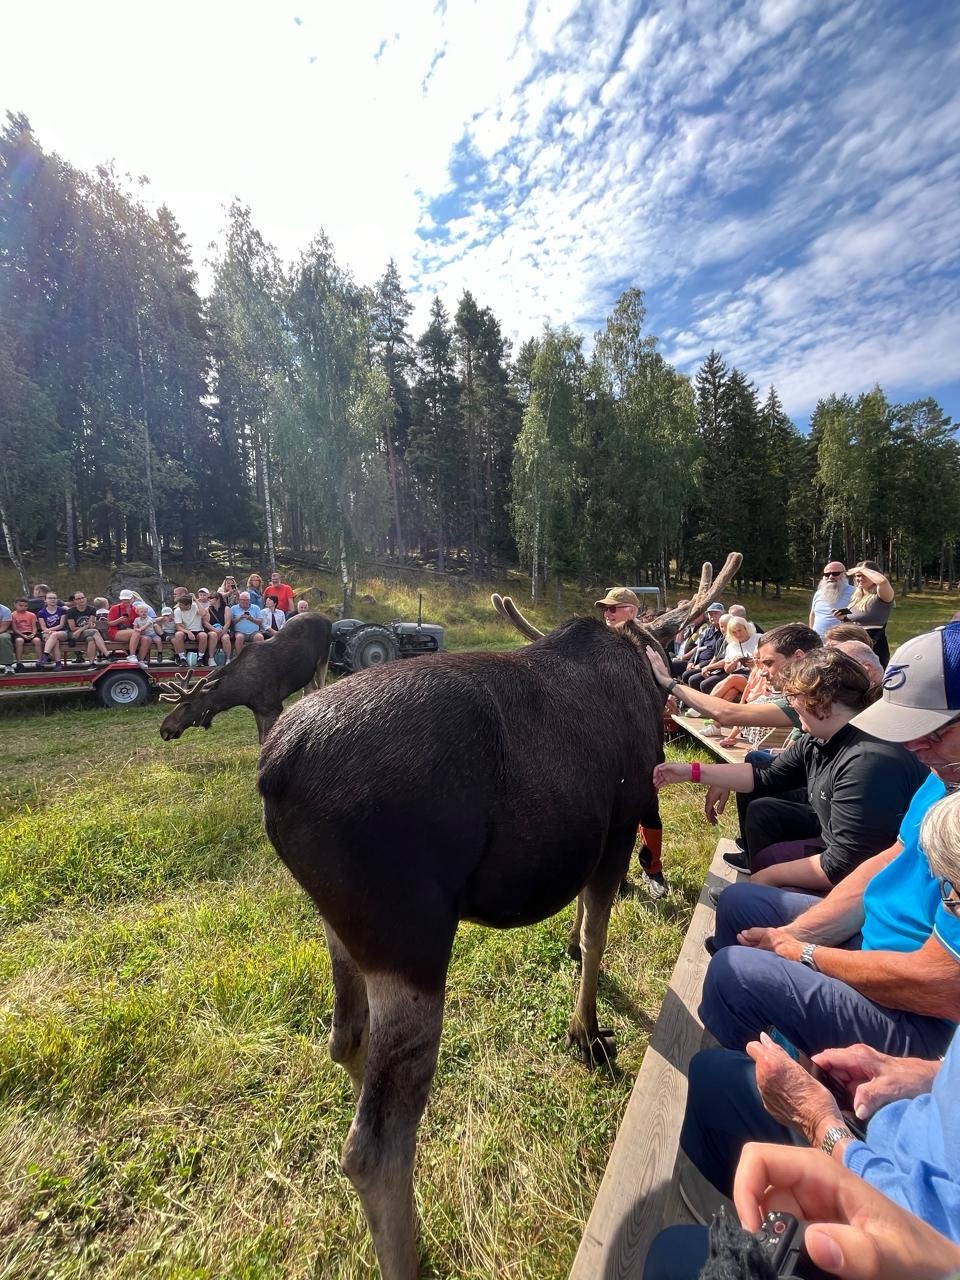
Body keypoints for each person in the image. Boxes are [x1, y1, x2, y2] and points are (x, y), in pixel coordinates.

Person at [642, 786, 960, 1280]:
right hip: (895, 1108)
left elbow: (925, 1228)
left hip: (883, 1186)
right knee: (710, 1069)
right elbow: (883, 867)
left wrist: (824, 1128)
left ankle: (745, 1218)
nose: (945, 907)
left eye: (952, 897)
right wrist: (923, 1075)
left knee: (666, 1256)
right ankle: (737, 1197)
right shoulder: (938, 784)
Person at [692, 623, 960, 1063]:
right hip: (872, 942)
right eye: (906, 728)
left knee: (732, 977)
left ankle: (778, 1080)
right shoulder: (941, 777)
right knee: (741, 902)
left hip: (917, 1020)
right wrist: (792, 937)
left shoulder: (879, 762)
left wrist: (806, 953)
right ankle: (767, 1036)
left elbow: (940, 986)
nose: (915, 747)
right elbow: (890, 859)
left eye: (933, 732)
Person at [654, 649, 926, 890]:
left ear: (822, 703)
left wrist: (768, 877)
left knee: (743, 899)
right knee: (764, 813)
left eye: (792, 696)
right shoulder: (823, 737)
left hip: (870, 886)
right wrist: (690, 771)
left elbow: (845, 865)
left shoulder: (868, 763)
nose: (790, 704)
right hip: (838, 854)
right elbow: (764, 774)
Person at [839, 561, 894, 666]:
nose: (860, 578)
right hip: (853, 646)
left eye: (865, 575)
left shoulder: (881, 595)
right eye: (858, 576)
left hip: (873, 647)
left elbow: (882, 581)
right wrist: (843, 618)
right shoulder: (856, 598)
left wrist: (861, 569)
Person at [676, 603, 726, 683]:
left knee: (688, 676)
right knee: (673, 665)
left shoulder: (724, 633)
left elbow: (718, 656)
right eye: (710, 614)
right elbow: (698, 648)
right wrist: (691, 662)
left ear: (722, 615)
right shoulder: (707, 630)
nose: (712, 616)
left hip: (710, 665)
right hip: (696, 661)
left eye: (715, 613)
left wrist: (701, 666)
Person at [810, 562, 854, 638]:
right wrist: (811, 634)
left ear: (844, 574)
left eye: (835, 573)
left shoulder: (854, 592)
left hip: (842, 641)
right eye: (827, 574)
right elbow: (812, 614)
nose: (831, 577)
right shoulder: (818, 593)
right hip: (818, 642)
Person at [64, 592, 111, 663]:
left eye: (83, 598)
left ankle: (91, 663)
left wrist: (81, 629)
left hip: (87, 633)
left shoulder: (92, 609)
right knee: (94, 631)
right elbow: (72, 628)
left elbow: (91, 624)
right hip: (74, 634)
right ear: (75, 601)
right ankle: (107, 654)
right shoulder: (70, 611)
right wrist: (84, 629)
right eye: (79, 599)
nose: (81, 600)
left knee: (91, 639)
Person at [171, 592, 208, 664]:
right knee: (178, 634)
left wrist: (195, 600)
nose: (179, 606)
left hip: (198, 630)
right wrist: (188, 632)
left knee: (203, 636)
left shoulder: (195, 606)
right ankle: (182, 658)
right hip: (185, 631)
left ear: (188, 605)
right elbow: (178, 626)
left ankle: (200, 658)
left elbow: (203, 613)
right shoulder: (177, 610)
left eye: (181, 605)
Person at [36, 591, 69, 668]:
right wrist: (49, 631)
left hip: (61, 632)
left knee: (55, 635)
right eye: (50, 598)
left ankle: (45, 655)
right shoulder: (41, 612)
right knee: (55, 640)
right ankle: (58, 663)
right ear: (45, 600)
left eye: (54, 598)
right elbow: (43, 627)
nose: (53, 600)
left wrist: (51, 630)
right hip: (47, 633)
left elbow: (61, 625)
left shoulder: (62, 610)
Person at [10, 598, 42, 667]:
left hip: (30, 633)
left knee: (37, 640)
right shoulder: (12, 615)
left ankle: (40, 661)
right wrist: (22, 635)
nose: (23, 607)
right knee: (19, 641)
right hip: (19, 633)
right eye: (20, 605)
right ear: (15, 605)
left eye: (25, 606)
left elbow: (34, 627)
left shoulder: (32, 615)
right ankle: (19, 662)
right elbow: (15, 629)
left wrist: (33, 634)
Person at [0, 601, 14, 669]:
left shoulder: (5, 610)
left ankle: (8, 665)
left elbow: (3, 627)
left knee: (4, 638)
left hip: (2, 631)